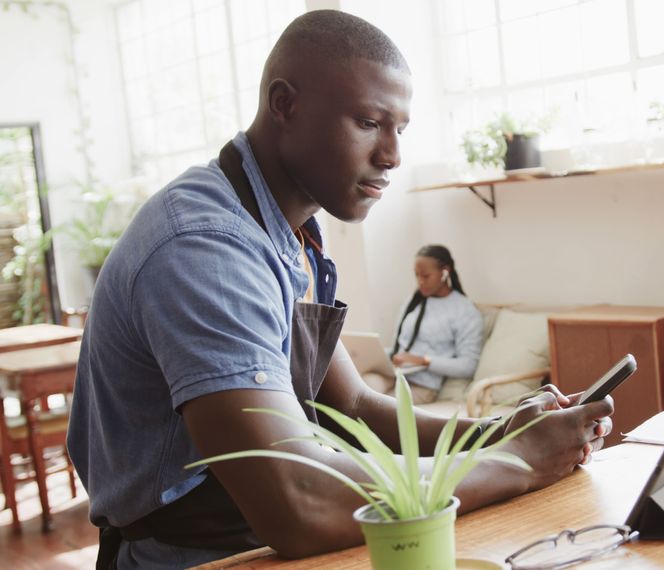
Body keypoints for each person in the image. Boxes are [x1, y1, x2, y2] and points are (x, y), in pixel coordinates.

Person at [67, 10, 613, 569]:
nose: (393, 155)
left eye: (400, 128)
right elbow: (297, 501)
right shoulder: (205, 248)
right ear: (285, 105)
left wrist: (496, 430)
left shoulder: (293, 230)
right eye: (369, 122)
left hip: (259, 538)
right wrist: (517, 460)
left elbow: (350, 405)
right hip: (193, 557)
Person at [361, 244, 483, 404]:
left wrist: (423, 360)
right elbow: (401, 346)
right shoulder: (413, 302)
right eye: (416, 275)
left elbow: (468, 365)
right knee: (357, 390)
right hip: (394, 373)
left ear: (445, 272)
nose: (420, 281)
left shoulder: (464, 310)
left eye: (425, 276)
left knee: (379, 406)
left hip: (423, 384)